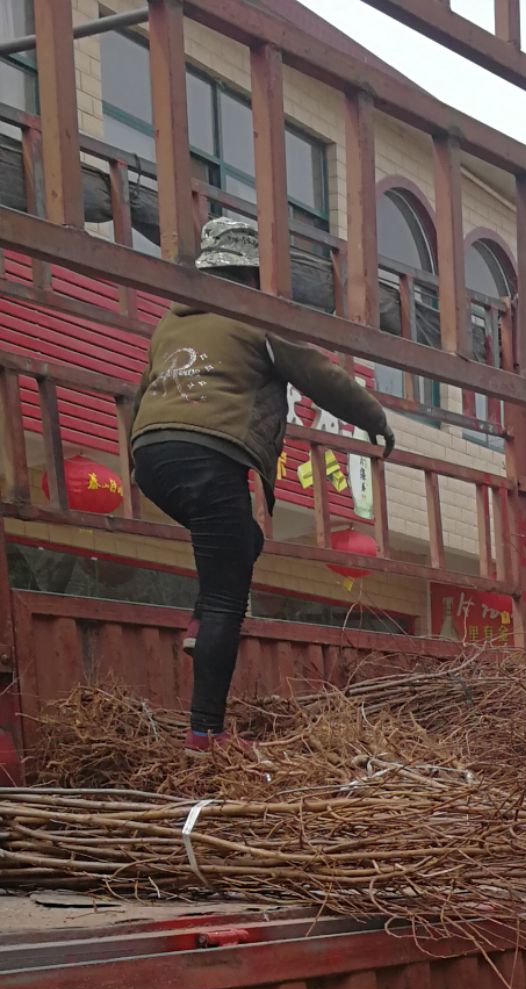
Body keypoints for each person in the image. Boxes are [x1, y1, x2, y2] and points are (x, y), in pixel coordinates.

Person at [127, 214, 395, 750]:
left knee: (242, 541)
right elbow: (320, 375)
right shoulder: (255, 317)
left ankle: (200, 625)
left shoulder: (169, 324)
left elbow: (144, 391)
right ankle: (206, 733)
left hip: (152, 456)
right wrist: (376, 420)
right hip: (209, 458)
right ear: (253, 273)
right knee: (230, 595)